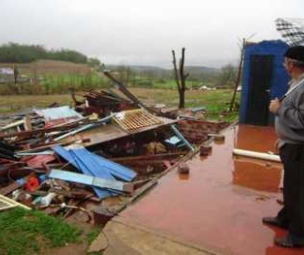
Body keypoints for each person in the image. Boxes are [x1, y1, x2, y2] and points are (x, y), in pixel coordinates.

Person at [263, 45, 304, 248]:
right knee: (290, 188)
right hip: (291, 144)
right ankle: (285, 219)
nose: (284, 65)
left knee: (298, 193)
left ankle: (298, 235)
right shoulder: (296, 83)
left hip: (299, 149)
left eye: (285, 62)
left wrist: (279, 110)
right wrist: (283, 137)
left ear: (292, 64)